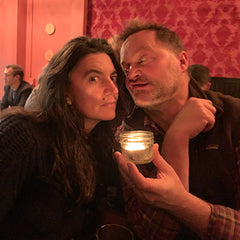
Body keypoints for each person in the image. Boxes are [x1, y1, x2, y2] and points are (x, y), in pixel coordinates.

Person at [113, 20, 240, 240]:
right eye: (127, 68)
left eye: (143, 60)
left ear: (182, 61)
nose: (131, 76)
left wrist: (180, 202)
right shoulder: (127, 133)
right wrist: (176, 137)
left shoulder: (234, 117)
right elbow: (151, 233)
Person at [0, 36, 128, 239]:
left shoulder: (97, 144)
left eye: (112, 78)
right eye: (94, 78)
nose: (112, 89)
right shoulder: (22, 134)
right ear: (65, 91)